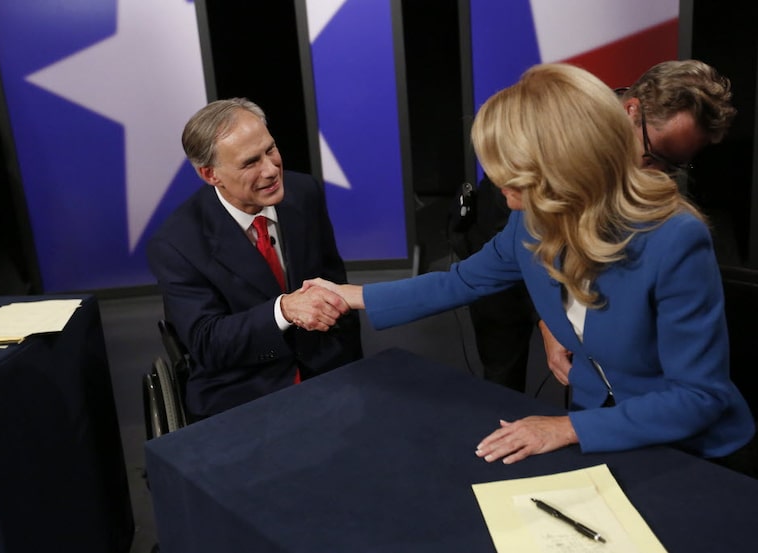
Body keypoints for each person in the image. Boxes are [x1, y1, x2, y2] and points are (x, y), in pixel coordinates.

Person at [307, 63, 756, 475]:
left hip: (692, 452)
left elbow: (699, 398)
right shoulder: (530, 219)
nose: (498, 183)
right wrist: (353, 297)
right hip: (600, 429)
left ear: (562, 167)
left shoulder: (674, 238)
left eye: (511, 172)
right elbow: (461, 281)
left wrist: (567, 430)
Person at [448, 59, 738, 392]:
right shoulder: (556, 134)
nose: (655, 174)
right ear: (631, 110)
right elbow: (515, 241)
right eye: (652, 155)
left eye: (675, 165)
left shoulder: (678, 234)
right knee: (502, 377)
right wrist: (550, 319)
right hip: (506, 260)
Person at [147, 98, 362, 419]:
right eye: (250, 163)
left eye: (270, 150)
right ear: (210, 174)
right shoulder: (177, 243)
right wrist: (283, 310)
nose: (272, 169)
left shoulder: (304, 193)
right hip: (244, 389)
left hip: (328, 371)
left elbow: (334, 281)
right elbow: (207, 343)